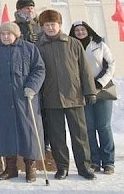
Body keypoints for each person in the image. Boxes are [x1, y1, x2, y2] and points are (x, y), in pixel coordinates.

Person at [0, 22, 46, 183]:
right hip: (2, 98)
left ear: (16, 35)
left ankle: (30, 166)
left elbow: (39, 69)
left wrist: (32, 87)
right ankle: (10, 167)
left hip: (24, 98)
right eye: (3, 34)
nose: (6, 37)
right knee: (5, 131)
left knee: (28, 130)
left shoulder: (29, 48)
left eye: (9, 34)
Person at [37, 10, 96, 180]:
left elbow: (84, 69)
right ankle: (62, 167)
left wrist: (89, 91)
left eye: (52, 24)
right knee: (57, 137)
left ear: (60, 25)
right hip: (51, 98)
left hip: (74, 96)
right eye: (46, 25)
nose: (50, 27)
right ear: (42, 27)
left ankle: (84, 167)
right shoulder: (38, 46)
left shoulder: (73, 43)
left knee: (80, 136)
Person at [69, 21, 116, 175]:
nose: (80, 32)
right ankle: (94, 161)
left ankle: (108, 162)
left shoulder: (99, 44)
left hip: (102, 90)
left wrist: (99, 82)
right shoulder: (71, 46)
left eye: (83, 29)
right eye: (77, 30)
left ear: (88, 30)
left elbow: (111, 64)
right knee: (88, 128)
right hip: (82, 92)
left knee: (103, 127)